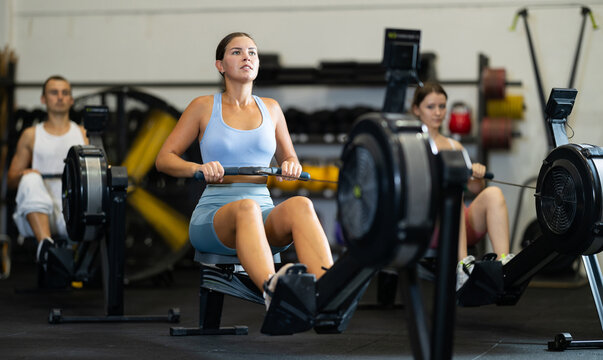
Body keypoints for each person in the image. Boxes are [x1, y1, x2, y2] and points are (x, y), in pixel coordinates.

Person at [155, 32, 333, 331]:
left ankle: (328, 295)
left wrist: (290, 165)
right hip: (214, 215)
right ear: (220, 65)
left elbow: (291, 159)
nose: (246, 57)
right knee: (246, 207)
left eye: (252, 52)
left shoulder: (272, 109)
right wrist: (198, 168)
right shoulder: (202, 106)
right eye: (236, 52)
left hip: (261, 211)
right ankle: (274, 292)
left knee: (301, 203)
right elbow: (165, 159)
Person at [411, 82, 514, 290]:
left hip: (459, 225)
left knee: (493, 193)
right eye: (431, 107)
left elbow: (475, 190)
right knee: (452, 193)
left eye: (442, 106)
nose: (438, 112)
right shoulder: (410, 146)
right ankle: (462, 266)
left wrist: (477, 175)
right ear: (416, 109)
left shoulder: (454, 146)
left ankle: (505, 265)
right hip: (426, 226)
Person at [7, 75, 87, 269]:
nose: (59, 97)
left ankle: (50, 251)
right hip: (35, 215)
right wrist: (28, 174)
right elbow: (10, 181)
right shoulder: (31, 135)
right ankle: (45, 245)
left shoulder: (83, 134)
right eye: (54, 92)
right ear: (43, 99)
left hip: (70, 215)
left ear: (71, 100)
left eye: (64, 93)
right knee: (30, 178)